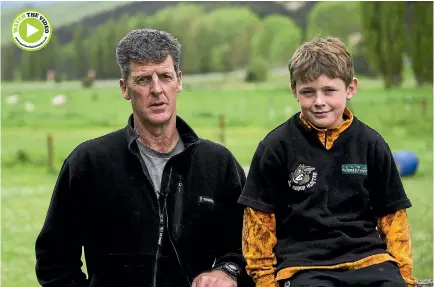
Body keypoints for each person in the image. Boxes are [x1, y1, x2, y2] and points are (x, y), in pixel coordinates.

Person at [35, 28, 254, 287]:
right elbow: (54, 263)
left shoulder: (218, 164)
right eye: (143, 80)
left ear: (179, 81)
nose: (157, 89)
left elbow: (247, 249)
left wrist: (227, 272)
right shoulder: (89, 163)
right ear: (124, 87)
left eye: (165, 76)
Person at [237, 36, 418, 287]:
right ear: (294, 91)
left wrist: (405, 278)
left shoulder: (372, 144)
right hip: (303, 267)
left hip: (369, 261)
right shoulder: (275, 147)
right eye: (308, 92)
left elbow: (392, 216)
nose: (319, 101)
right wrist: (265, 281)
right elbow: (259, 219)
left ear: (350, 88)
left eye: (329, 90)